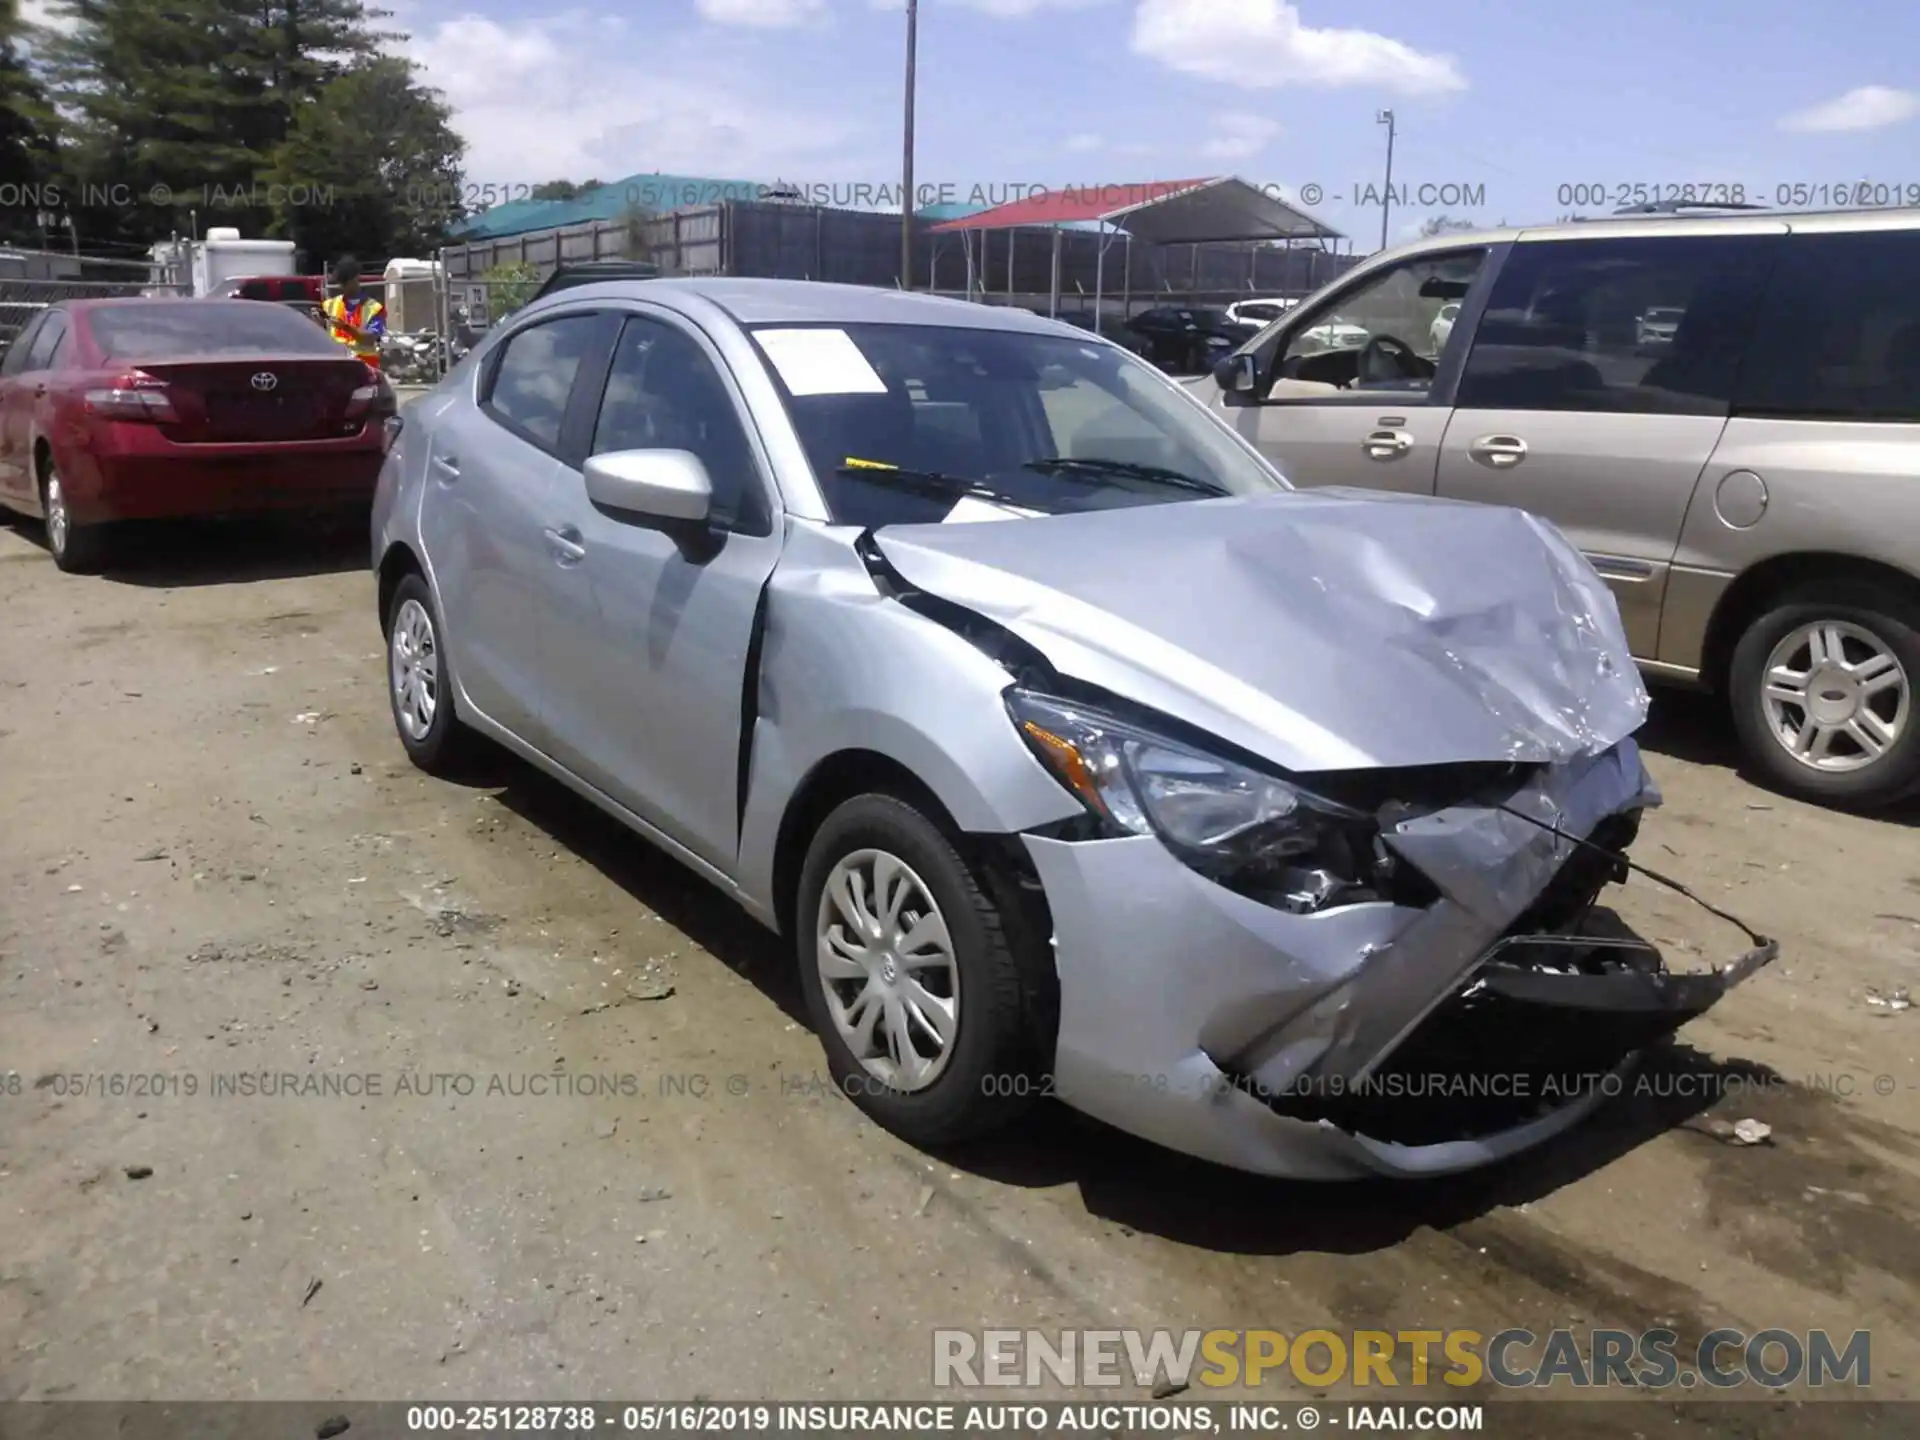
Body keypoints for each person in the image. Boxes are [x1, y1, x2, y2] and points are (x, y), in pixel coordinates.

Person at [322, 257, 386, 367]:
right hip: (338, 364)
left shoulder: (374, 308)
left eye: (345, 282)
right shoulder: (330, 305)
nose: (342, 287)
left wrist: (345, 327)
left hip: (364, 366)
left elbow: (369, 339)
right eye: (340, 283)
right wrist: (317, 324)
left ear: (356, 278)